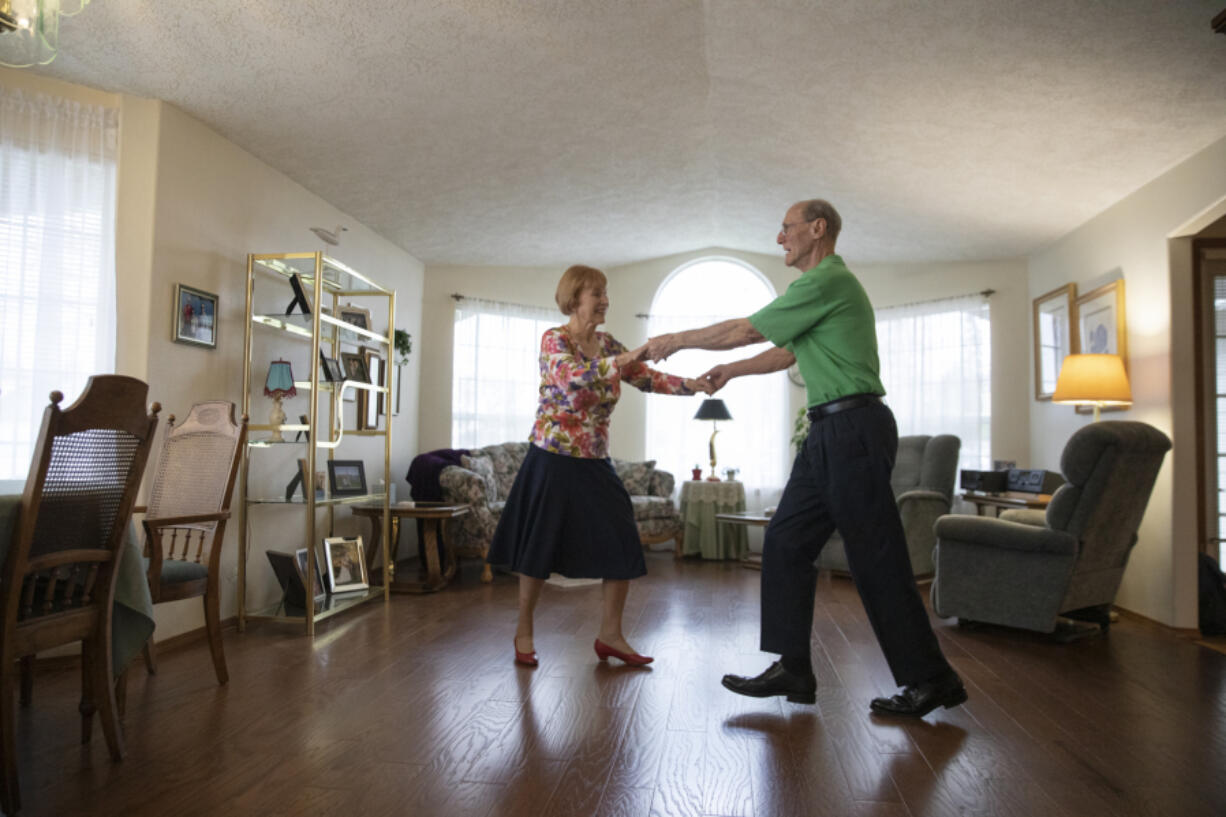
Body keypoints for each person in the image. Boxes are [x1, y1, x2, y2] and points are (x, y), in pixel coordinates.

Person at [644, 199, 966, 718]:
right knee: (786, 539)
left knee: (875, 556)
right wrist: (731, 370)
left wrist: (675, 340)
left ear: (818, 229)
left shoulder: (827, 281)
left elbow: (750, 328)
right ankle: (793, 666)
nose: (780, 238)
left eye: (787, 228)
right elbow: (788, 351)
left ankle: (931, 678)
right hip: (828, 432)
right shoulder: (819, 294)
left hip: (853, 427)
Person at [488, 264, 711, 668]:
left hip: (594, 460)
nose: (605, 300)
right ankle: (524, 630)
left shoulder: (608, 345)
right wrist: (628, 356)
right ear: (574, 299)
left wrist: (694, 385)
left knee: (622, 539)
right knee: (539, 548)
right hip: (552, 458)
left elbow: (646, 378)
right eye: (597, 293)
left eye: (605, 292)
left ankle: (610, 635)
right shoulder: (554, 340)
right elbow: (573, 378)